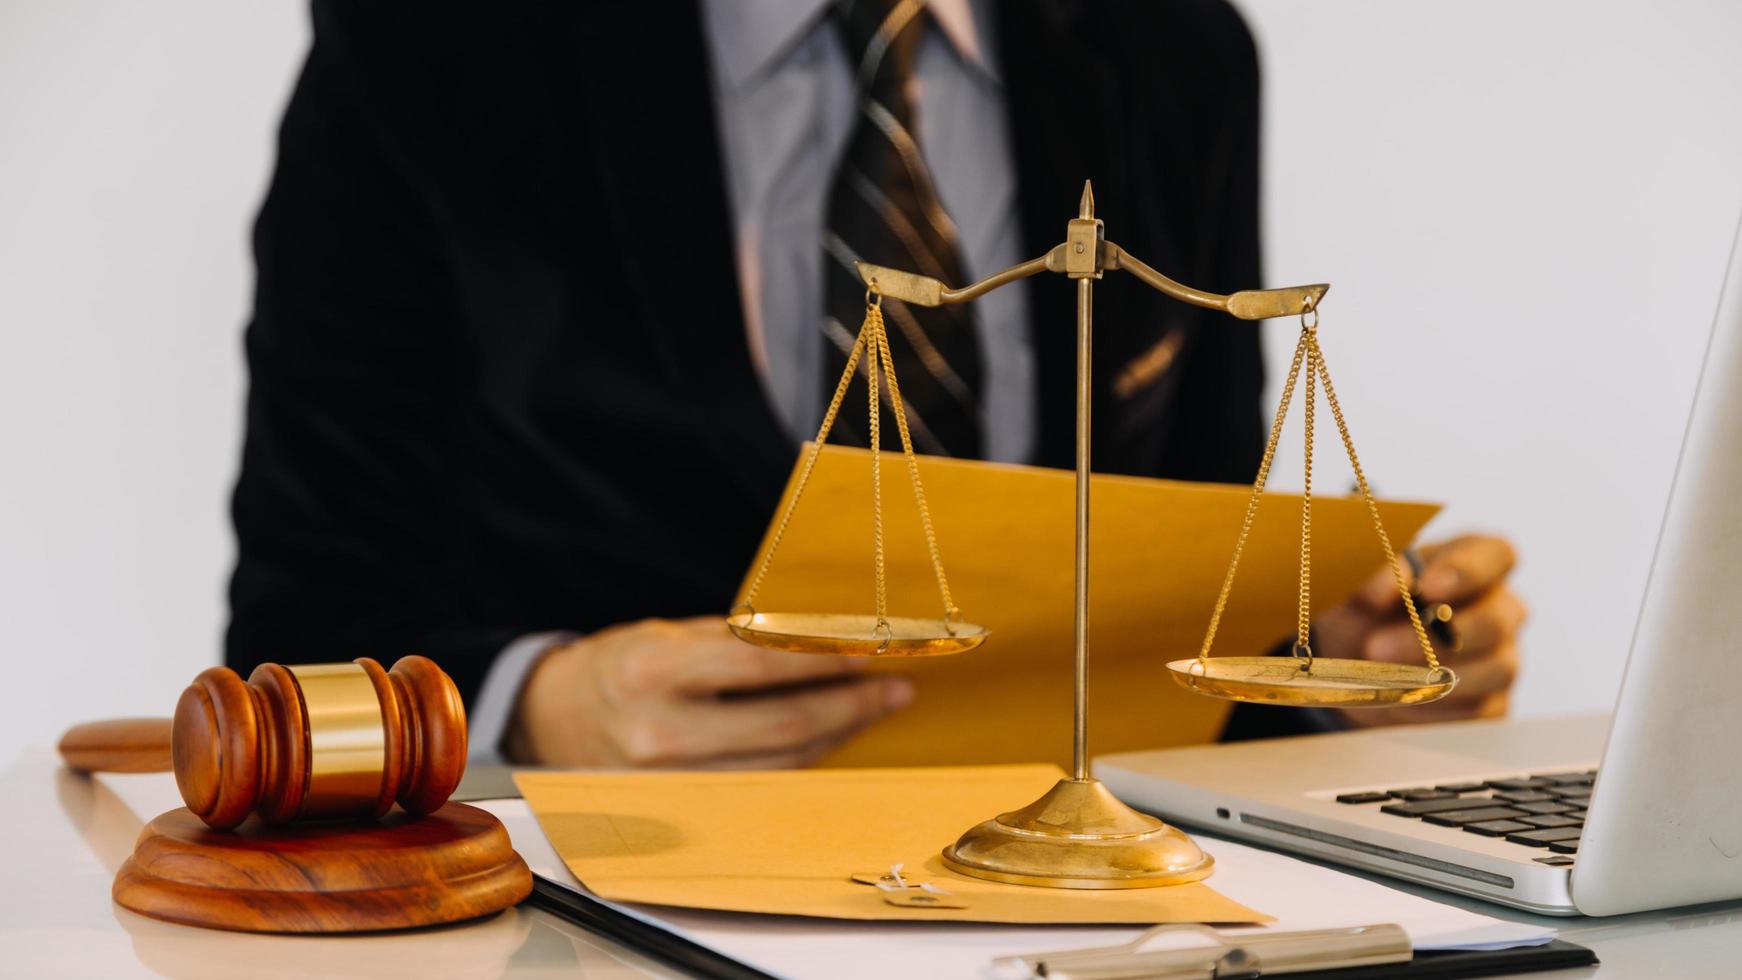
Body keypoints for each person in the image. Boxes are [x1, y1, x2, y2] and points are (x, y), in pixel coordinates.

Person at [226, 0, 1525, 768]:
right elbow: (293, 637)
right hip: (599, 916)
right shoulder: (427, 49)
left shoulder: (1174, 50)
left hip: (1063, 916)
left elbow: (1186, 598)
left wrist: (1332, 672)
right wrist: (538, 708)